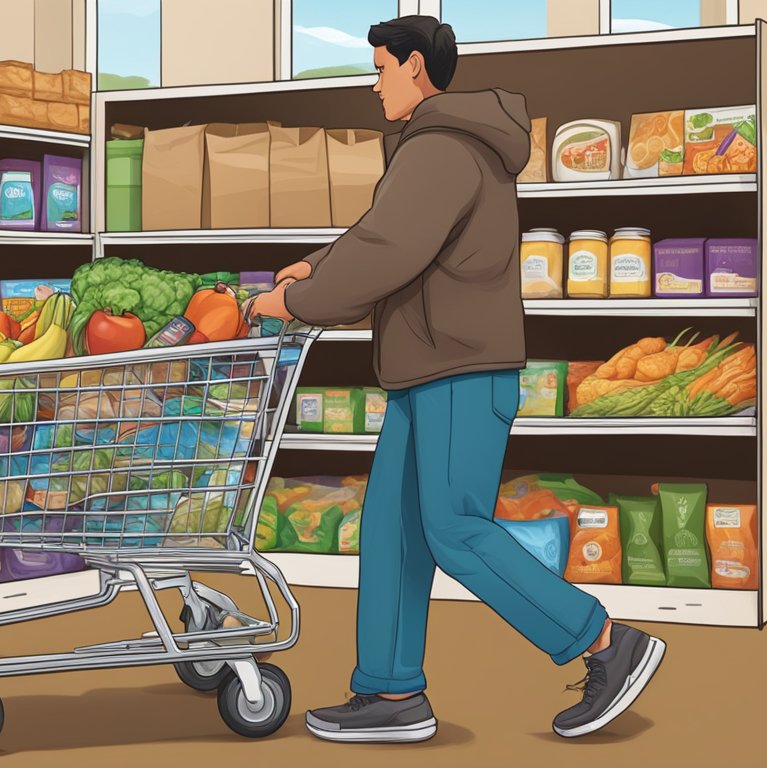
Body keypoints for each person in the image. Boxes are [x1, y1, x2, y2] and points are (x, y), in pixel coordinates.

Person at [243, 15, 665, 743]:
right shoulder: (437, 144)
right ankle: (389, 691)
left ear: (415, 67)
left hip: (456, 371)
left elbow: (387, 247)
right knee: (394, 532)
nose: (374, 85)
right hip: (426, 367)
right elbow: (383, 230)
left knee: (455, 530)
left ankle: (603, 641)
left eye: (380, 69)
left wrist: (298, 301)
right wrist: (318, 263)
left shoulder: (442, 145)